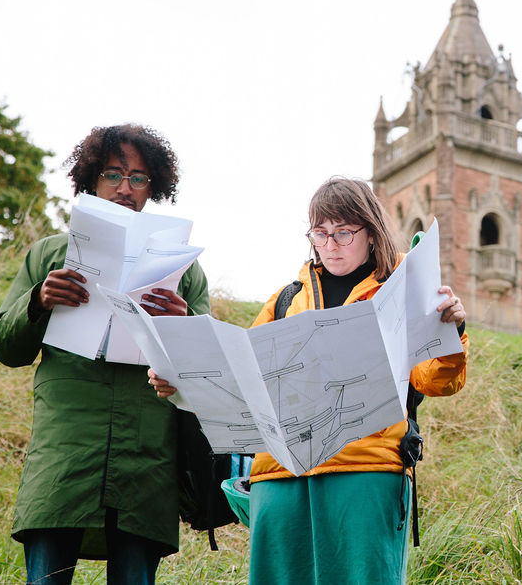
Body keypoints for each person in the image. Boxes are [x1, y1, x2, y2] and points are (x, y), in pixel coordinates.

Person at [149, 176, 469, 585]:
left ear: (371, 233)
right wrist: (181, 384)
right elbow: (241, 377)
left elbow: (437, 382)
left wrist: (451, 330)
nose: (330, 245)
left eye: (343, 233)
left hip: (366, 473)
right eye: (320, 233)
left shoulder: (402, 291)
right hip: (278, 478)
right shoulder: (285, 298)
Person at [0, 124, 210, 585]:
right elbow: (5, 349)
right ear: (91, 179)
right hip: (64, 457)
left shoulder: (183, 268)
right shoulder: (50, 254)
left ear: (154, 188)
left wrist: (184, 325)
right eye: (113, 174)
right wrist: (39, 300)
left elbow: (209, 374)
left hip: (146, 464)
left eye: (139, 178)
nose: (124, 188)